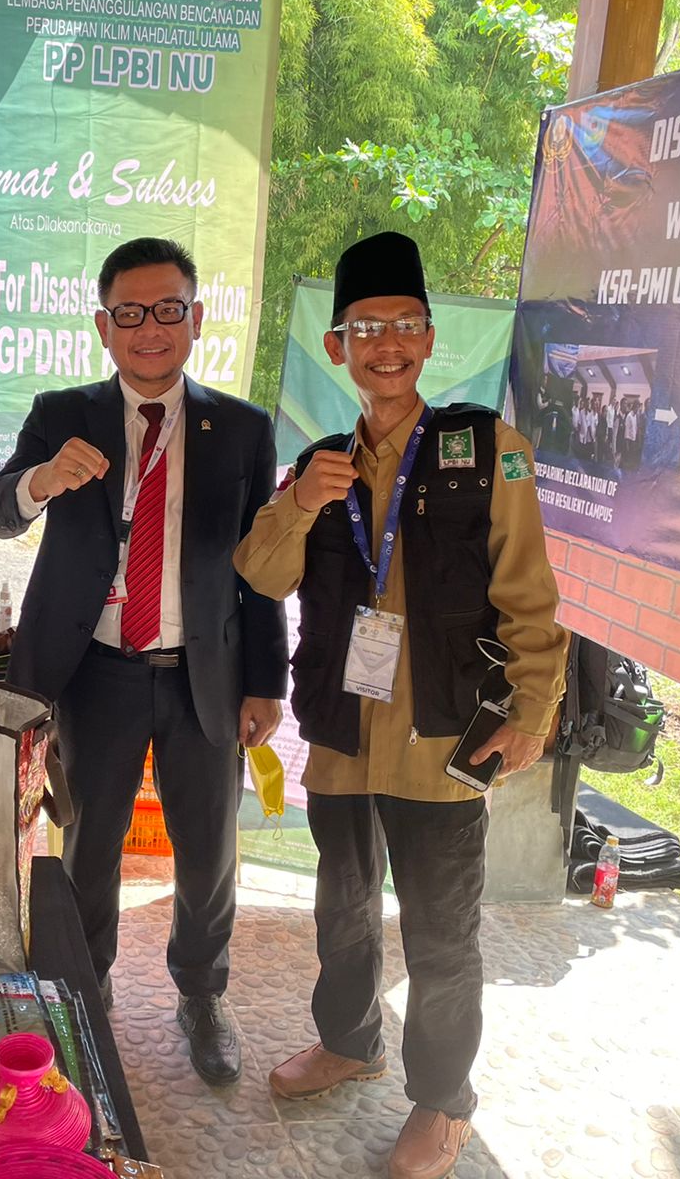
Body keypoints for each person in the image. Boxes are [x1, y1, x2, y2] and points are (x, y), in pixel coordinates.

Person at [234, 231, 567, 1179]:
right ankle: (350, 1041)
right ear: (337, 346)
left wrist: (532, 709)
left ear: (428, 339)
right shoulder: (318, 463)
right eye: (366, 328)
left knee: (441, 931)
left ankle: (443, 1100)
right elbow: (259, 573)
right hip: (343, 737)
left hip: (442, 739)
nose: (386, 344)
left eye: (405, 326)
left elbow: (528, 591)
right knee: (341, 909)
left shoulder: (485, 450)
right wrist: (301, 502)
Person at [0, 237, 288, 1084]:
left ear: (197, 318)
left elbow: (260, 570)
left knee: (208, 848)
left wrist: (268, 681)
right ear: (102, 326)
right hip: (95, 672)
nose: (149, 328)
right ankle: (87, 990)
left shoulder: (243, 429)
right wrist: (42, 479)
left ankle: (202, 994)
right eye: (130, 313)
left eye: (167, 309)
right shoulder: (61, 413)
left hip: (204, 674)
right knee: (90, 841)